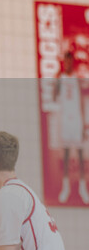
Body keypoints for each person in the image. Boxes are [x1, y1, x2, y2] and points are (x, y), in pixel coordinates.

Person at [53, 51, 89, 204]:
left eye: (70, 60)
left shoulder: (77, 78)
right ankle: (65, 187)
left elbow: (81, 100)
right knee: (66, 154)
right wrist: (55, 80)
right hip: (65, 121)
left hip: (77, 121)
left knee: (80, 155)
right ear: (64, 62)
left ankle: (83, 188)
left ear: (72, 62)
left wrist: (84, 123)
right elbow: (54, 96)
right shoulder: (60, 78)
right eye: (66, 61)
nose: (68, 63)